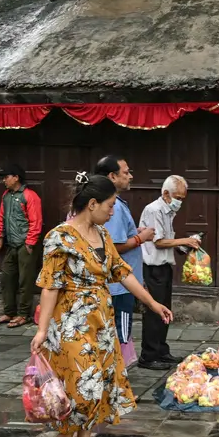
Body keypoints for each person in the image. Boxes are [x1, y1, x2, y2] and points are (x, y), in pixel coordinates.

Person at [30, 173, 173, 437]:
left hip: (101, 321)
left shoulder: (104, 236)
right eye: (109, 205)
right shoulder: (60, 237)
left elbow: (123, 273)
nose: (113, 211)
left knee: (102, 384)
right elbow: (50, 286)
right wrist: (42, 330)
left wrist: (151, 303)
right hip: (70, 323)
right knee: (79, 386)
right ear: (92, 204)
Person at [94, 155, 155, 365]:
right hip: (118, 286)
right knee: (121, 335)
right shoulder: (114, 206)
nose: (130, 176)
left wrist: (134, 233)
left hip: (119, 283)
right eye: (126, 172)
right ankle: (118, 380)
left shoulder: (115, 204)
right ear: (112, 176)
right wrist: (141, 238)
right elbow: (112, 248)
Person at [137, 175, 202, 370]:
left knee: (165, 310)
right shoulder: (153, 210)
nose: (180, 203)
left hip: (164, 266)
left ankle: (161, 351)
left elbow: (167, 241)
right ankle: (148, 356)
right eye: (178, 198)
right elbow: (158, 241)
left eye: (182, 198)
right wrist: (184, 241)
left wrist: (184, 246)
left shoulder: (167, 211)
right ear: (166, 194)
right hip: (152, 267)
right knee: (154, 311)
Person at [0, 164, 43, 328]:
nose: (4, 180)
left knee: (25, 281)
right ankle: (9, 312)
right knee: (7, 279)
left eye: (6, 177)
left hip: (25, 244)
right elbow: (1, 217)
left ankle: (23, 314)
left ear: (16, 177)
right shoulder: (6, 196)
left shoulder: (30, 196)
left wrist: (30, 242)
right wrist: (0, 238)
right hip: (11, 244)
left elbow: (36, 221)